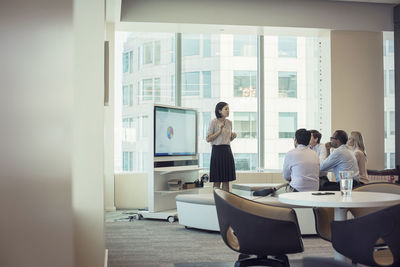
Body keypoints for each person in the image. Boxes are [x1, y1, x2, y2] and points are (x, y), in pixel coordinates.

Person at [206, 102, 237, 191]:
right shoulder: (213, 122)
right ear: (219, 111)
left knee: (226, 180)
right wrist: (219, 131)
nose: (228, 111)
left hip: (227, 151)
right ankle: (217, 202)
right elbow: (208, 139)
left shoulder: (229, 123)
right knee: (217, 180)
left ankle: (225, 203)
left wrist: (232, 137)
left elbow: (227, 139)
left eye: (228, 109)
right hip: (217, 151)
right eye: (226, 109)